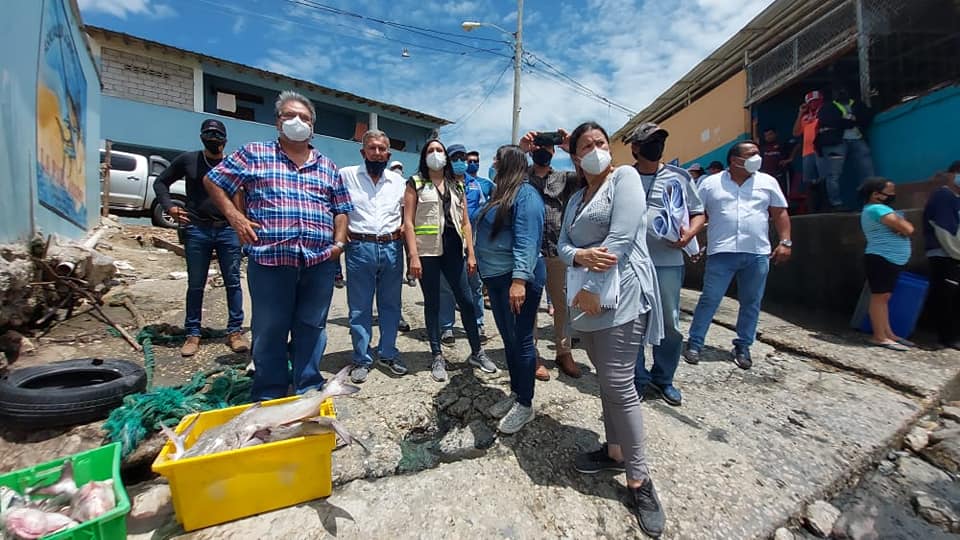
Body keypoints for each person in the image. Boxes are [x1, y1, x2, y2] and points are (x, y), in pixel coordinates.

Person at [204, 90, 353, 400]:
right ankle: (270, 393)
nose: (297, 121)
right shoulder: (254, 153)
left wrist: (338, 244)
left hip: (318, 262)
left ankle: (307, 387)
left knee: (312, 327)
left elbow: (341, 209)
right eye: (290, 116)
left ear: (312, 126)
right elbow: (213, 180)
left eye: (304, 118)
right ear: (277, 122)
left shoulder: (327, 166)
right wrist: (235, 217)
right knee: (269, 328)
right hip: (270, 261)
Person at [558, 121, 666, 537]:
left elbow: (621, 237)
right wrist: (579, 257)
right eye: (586, 146)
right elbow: (563, 247)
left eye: (600, 142)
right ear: (575, 156)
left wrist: (590, 276)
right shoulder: (575, 198)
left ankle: (640, 480)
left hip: (621, 294)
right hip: (586, 301)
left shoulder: (624, 179)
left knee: (620, 384)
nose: (596, 150)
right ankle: (615, 452)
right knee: (606, 381)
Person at [684, 141, 792, 369]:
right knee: (710, 298)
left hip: (757, 252)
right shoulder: (710, 184)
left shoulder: (767, 182)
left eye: (758, 153)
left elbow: (780, 213)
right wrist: (692, 242)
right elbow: (697, 213)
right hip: (721, 252)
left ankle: (743, 345)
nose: (757, 158)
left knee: (751, 301)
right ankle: (695, 342)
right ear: (735, 160)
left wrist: (785, 242)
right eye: (751, 154)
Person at [624, 122, 705, 407]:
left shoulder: (679, 177)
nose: (656, 146)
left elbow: (698, 213)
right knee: (632, 323)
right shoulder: (623, 177)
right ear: (635, 147)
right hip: (631, 264)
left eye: (660, 140)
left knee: (670, 324)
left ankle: (663, 378)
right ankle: (637, 378)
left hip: (668, 263)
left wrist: (690, 234)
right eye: (650, 141)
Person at [153, 119, 248, 357]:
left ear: (225, 139)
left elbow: (242, 195)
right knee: (196, 284)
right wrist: (170, 207)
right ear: (201, 136)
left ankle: (235, 332)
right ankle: (193, 333)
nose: (213, 138)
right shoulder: (189, 160)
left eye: (217, 135)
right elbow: (161, 182)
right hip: (197, 229)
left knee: (233, 282)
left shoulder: (232, 165)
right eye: (209, 134)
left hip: (227, 230)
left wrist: (242, 225)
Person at [403, 139, 496, 382]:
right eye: (431, 150)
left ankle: (477, 352)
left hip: (454, 250)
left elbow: (465, 223)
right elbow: (408, 222)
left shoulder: (457, 185)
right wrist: (413, 256)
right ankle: (437, 355)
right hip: (427, 252)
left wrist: (471, 253)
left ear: (445, 156)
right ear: (424, 156)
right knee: (433, 303)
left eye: (439, 150)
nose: (436, 154)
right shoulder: (415, 183)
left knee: (466, 301)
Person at [475, 145, 545, 434]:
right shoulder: (502, 193)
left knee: (522, 341)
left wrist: (519, 281)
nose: (493, 163)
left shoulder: (526, 195)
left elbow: (527, 240)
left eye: (497, 159)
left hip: (516, 281)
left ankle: (525, 404)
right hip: (497, 279)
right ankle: (517, 393)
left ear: (510, 163)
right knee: (509, 340)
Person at [340, 130, 407, 383]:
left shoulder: (399, 182)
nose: (377, 153)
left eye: (382, 149)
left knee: (391, 305)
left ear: (388, 154)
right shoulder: (346, 175)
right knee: (360, 307)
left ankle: (388, 353)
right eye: (372, 148)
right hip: (360, 247)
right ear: (363, 152)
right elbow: (334, 206)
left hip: (392, 247)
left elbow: (407, 214)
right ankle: (361, 358)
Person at [520, 129, 583, 380]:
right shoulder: (521, 177)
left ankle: (564, 352)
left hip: (558, 251)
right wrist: (521, 149)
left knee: (561, 304)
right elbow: (503, 175)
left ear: (554, 151)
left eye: (547, 147)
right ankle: (532, 353)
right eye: (537, 146)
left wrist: (572, 149)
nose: (542, 151)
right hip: (530, 252)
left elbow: (589, 177)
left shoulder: (565, 178)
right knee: (530, 304)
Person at [438, 144, 489, 346]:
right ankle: (446, 327)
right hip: (447, 244)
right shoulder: (440, 183)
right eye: (455, 158)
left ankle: (478, 324)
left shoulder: (476, 185)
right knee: (446, 287)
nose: (460, 162)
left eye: (463, 157)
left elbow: (483, 211)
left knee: (475, 286)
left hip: (472, 244)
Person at [858, 177, 914, 351]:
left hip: (889, 258)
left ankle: (888, 333)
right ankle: (879, 336)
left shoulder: (879, 209)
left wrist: (901, 227)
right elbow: (908, 229)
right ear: (876, 194)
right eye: (890, 192)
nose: (893, 195)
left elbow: (903, 228)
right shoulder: (877, 209)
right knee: (879, 297)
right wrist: (902, 226)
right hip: (882, 258)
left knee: (884, 297)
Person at [817, 84, 875, 211]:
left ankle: (869, 202)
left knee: (867, 172)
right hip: (836, 143)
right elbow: (828, 120)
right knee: (834, 174)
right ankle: (836, 204)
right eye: (838, 91)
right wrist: (852, 120)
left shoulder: (857, 104)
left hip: (857, 139)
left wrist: (846, 121)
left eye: (844, 91)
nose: (841, 93)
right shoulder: (828, 107)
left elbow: (867, 117)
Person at [923, 162, 960, 350]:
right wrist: (957, 254)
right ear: (952, 175)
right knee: (947, 297)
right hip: (945, 254)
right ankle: (948, 337)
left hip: (954, 255)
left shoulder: (955, 198)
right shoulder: (943, 197)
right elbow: (945, 231)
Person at [793, 90, 825, 211]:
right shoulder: (805, 117)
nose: (813, 104)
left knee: (824, 178)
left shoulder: (823, 113)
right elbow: (796, 133)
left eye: (816, 101)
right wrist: (800, 113)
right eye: (811, 102)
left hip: (820, 150)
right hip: (807, 152)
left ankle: (825, 206)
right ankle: (813, 207)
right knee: (809, 181)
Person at [759, 128, 792, 196]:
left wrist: (790, 159)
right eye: (766, 135)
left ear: (775, 134)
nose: (768, 137)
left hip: (779, 174)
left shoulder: (782, 145)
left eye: (770, 134)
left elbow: (797, 146)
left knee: (781, 193)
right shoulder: (762, 147)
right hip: (766, 175)